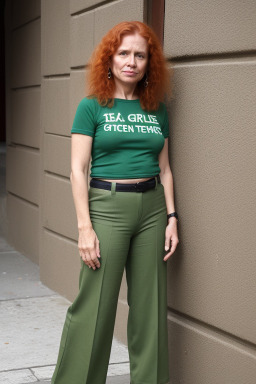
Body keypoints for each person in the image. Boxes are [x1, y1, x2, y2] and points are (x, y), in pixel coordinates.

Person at [51, 21, 179, 384]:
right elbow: (77, 170)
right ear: (109, 59)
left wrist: (172, 217)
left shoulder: (156, 109)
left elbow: (165, 169)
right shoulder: (92, 106)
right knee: (94, 308)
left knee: (150, 310)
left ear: (148, 63)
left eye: (140, 55)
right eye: (124, 53)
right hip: (107, 207)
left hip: (153, 209)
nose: (131, 62)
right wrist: (84, 227)